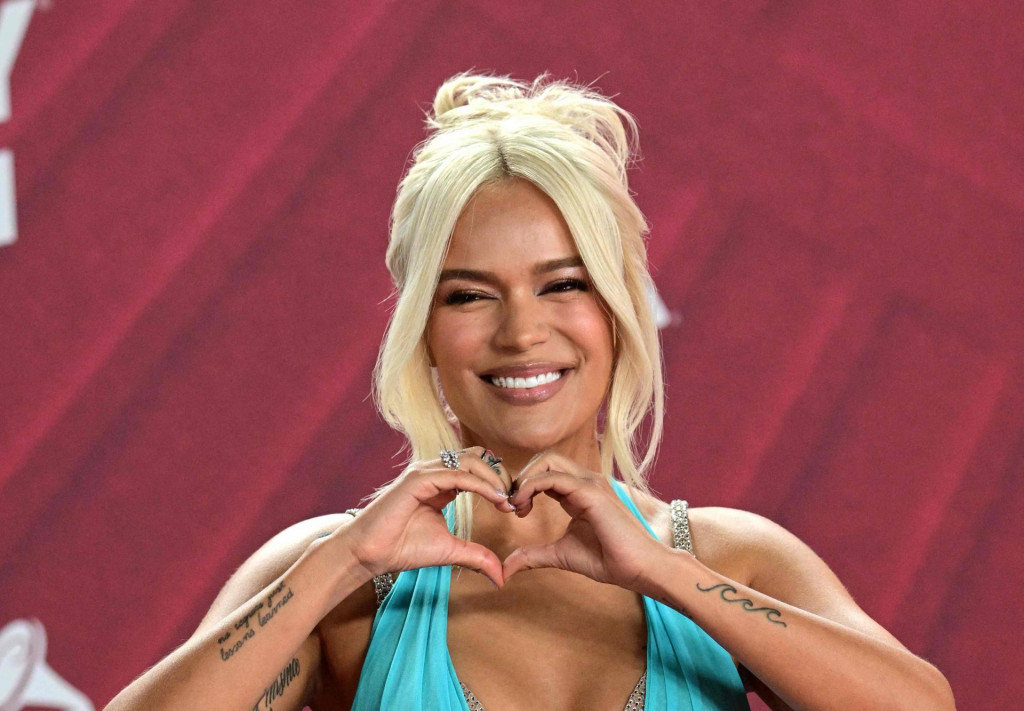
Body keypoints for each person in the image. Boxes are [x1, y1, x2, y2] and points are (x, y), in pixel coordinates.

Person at [104, 73, 956, 711]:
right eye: (470, 295)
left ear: (618, 310)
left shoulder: (728, 558)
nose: (521, 332)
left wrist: (665, 575)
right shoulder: (344, 576)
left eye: (563, 284)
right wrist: (343, 563)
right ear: (423, 333)